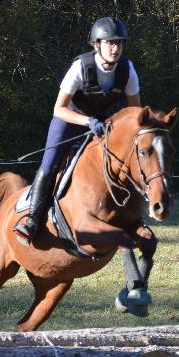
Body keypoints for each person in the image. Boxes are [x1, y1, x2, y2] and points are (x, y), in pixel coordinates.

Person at [13, 17, 141, 244]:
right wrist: (87, 121)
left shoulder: (127, 69)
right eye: (110, 43)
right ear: (96, 45)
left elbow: (135, 113)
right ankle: (31, 219)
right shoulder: (80, 67)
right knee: (51, 162)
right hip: (69, 119)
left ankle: (133, 216)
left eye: (119, 43)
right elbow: (58, 108)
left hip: (102, 122)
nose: (115, 48)